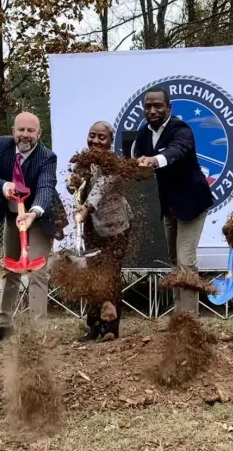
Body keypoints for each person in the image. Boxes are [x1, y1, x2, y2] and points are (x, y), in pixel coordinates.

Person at [0, 112, 61, 344]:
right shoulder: (3, 145)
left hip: (39, 218)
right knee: (11, 270)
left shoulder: (47, 157)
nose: (25, 135)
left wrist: (34, 213)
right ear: (13, 130)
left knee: (37, 272)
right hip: (12, 216)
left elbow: (46, 187)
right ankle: (3, 325)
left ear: (39, 134)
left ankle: (37, 332)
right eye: (21, 130)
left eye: (30, 131)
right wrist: (4, 185)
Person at [132, 87, 214, 314]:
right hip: (168, 206)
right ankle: (180, 313)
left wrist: (155, 160)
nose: (153, 110)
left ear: (169, 107)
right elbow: (138, 166)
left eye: (158, 105)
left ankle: (189, 322)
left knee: (186, 261)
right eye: (148, 106)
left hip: (193, 203)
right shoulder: (142, 135)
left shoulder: (181, 129)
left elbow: (177, 150)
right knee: (175, 260)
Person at [70, 121, 133, 342]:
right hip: (92, 228)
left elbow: (99, 190)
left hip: (116, 227)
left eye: (101, 137)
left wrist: (85, 210)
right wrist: (74, 184)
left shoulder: (113, 164)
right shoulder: (84, 161)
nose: (95, 140)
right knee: (92, 276)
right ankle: (94, 326)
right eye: (92, 135)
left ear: (110, 141)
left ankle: (111, 327)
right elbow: (78, 186)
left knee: (109, 276)